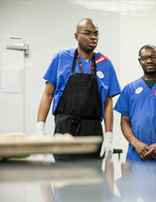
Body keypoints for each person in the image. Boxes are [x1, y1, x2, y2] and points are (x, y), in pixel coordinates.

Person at [35, 18, 121, 163]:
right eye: (88, 33)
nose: (93, 37)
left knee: (91, 179)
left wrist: (109, 137)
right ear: (77, 36)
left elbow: (108, 102)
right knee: (63, 177)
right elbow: (48, 94)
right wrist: (40, 130)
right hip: (64, 128)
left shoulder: (105, 63)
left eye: (96, 34)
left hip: (92, 130)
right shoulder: (61, 58)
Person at [114, 44, 156, 164]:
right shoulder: (130, 89)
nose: (149, 61)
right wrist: (136, 144)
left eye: (153, 57)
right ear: (139, 61)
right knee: (136, 182)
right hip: (137, 155)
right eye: (144, 58)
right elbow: (124, 122)